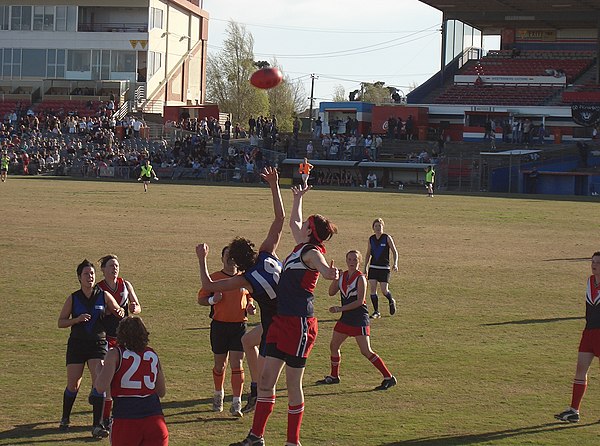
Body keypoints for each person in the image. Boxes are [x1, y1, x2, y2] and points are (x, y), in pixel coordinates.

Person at [231, 184, 339, 446]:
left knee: (293, 386)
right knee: (267, 381)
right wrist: (298, 198)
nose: (300, 225)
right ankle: (256, 437)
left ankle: (293, 442)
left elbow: (323, 268)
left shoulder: (312, 252)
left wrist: (329, 274)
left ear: (311, 231)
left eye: (307, 225)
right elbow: (293, 220)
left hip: (300, 323)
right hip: (282, 321)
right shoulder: (301, 245)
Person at [196, 166, 284, 414]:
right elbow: (280, 219)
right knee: (247, 340)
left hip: (279, 323)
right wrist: (274, 185)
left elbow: (208, 286)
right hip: (291, 309)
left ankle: (257, 393)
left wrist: (202, 258)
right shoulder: (268, 252)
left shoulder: (246, 280)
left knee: (270, 380)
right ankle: (255, 389)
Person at [57, 259, 125, 438]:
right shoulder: (73, 298)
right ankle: (65, 418)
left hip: (98, 344)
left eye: (92, 274)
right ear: (79, 277)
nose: (90, 277)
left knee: (99, 384)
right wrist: (76, 320)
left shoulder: (103, 295)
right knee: (73, 384)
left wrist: (119, 312)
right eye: (86, 274)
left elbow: (119, 310)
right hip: (77, 344)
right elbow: (60, 322)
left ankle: (97, 425)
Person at [317, 249, 397, 390]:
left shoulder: (361, 278)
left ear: (359, 262)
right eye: (349, 259)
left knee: (366, 351)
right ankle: (334, 376)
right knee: (334, 346)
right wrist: (335, 278)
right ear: (346, 261)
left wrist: (339, 309)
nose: (352, 262)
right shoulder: (343, 276)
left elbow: (360, 301)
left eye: (355, 260)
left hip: (359, 318)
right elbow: (331, 292)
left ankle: (388, 377)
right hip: (346, 318)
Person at [198, 246, 254, 417]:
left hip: (239, 327)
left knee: (237, 364)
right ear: (222, 259)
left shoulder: (244, 278)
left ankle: (236, 403)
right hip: (220, 326)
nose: (230, 260)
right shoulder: (214, 279)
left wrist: (250, 304)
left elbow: (249, 295)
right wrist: (212, 300)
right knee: (220, 365)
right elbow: (201, 299)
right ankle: (218, 395)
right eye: (227, 257)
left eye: (233, 256)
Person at [95, 316, 169, 446]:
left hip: (126, 419)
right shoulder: (152, 354)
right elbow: (161, 391)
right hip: (155, 419)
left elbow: (100, 388)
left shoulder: (115, 354)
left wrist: (99, 370)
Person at [96, 254, 142, 428]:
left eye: (116, 265)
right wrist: (106, 311)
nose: (114, 268)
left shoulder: (126, 285)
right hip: (106, 339)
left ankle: (119, 414)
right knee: (108, 379)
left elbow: (137, 305)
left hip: (125, 341)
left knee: (124, 378)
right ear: (103, 269)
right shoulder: (98, 288)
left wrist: (133, 308)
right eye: (111, 266)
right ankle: (106, 417)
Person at [554, 252, 600, 423]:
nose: (594, 265)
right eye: (593, 262)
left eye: (598, 262)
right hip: (588, 332)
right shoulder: (590, 281)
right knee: (580, 371)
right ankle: (574, 411)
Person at [364, 218, 398, 319]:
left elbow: (395, 252)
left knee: (384, 290)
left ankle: (391, 300)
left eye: (380, 226)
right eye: (376, 226)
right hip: (373, 267)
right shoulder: (371, 239)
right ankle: (376, 312)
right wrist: (365, 267)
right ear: (373, 228)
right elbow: (368, 254)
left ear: (383, 227)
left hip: (384, 268)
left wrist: (395, 264)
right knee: (373, 289)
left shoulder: (387, 238)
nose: (378, 228)